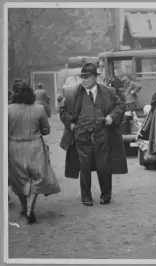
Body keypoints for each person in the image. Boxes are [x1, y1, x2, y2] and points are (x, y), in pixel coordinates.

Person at [59, 63, 127, 206]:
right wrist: (71, 125)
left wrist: (111, 117)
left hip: (102, 134)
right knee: (84, 166)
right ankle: (86, 197)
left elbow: (120, 106)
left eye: (86, 77)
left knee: (104, 166)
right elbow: (63, 111)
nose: (83, 80)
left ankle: (105, 196)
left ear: (95, 77)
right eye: (81, 77)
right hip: (81, 136)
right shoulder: (72, 93)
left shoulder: (109, 92)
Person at [8, 79, 60, 224]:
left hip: (14, 148)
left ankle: (24, 207)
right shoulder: (39, 108)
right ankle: (30, 209)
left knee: (19, 179)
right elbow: (46, 130)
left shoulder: (7, 109)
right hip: (35, 146)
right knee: (36, 178)